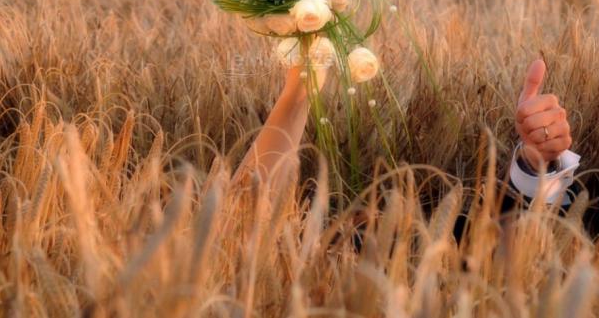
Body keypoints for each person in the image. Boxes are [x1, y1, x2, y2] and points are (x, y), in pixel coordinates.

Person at [232, 58, 581, 236]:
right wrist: (299, 93)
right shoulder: (314, 265)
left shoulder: (447, 265)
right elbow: (236, 231)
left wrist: (537, 162)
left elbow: (506, 255)